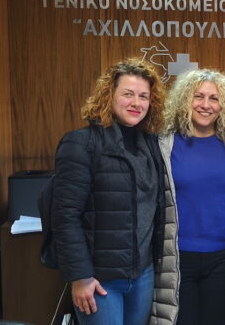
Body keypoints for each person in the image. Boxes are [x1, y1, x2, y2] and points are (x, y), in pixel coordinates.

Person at [50, 59, 167, 325]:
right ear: (109, 95)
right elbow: (65, 215)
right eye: (128, 94)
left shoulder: (151, 145)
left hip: (143, 275)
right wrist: (80, 276)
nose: (136, 103)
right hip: (99, 280)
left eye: (143, 96)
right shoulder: (81, 143)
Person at [153, 69, 225, 325]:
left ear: (224, 105)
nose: (206, 105)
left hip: (223, 258)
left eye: (214, 98)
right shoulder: (164, 144)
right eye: (198, 96)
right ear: (185, 100)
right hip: (178, 257)